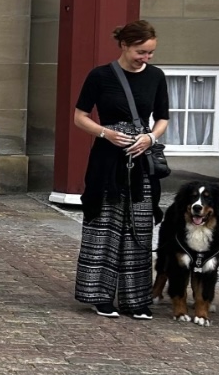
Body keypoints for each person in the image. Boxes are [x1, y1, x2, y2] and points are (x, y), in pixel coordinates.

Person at [72, 19, 170, 321]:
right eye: (141, 52)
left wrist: (150, 138)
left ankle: (136, 299)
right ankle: (99, 296)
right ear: (124, 45)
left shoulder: (156, 76)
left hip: (141, 160)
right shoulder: (100, 76)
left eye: (150, 52)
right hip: (107, 161)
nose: (146, 58)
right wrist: (105, 133)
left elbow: (163, 118)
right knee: (104, 225)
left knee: (139, 227)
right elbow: (79, 116)